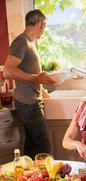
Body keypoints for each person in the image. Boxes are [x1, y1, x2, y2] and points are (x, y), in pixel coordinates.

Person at [3, 9, 57, 160]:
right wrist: (36, 78)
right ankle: (38, 177)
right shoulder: (22, 42)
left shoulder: (29, 43)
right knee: (43, 144)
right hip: (28, 103)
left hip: (31, 101)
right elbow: (7, 72)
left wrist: (44, 92)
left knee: (33, 143)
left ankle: (27, 178)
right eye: (44, 27)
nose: (44, 31)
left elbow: (32, 75)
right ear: (39, 23)